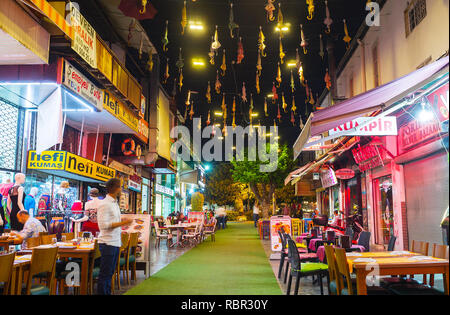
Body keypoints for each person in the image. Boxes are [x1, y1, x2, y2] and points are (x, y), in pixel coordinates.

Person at [97, 178, 132, 295]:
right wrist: (123, 223)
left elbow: (113, 220)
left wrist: (122, 220)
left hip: (115, 242)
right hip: (107, 243)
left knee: (110, 273)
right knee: (105, 274)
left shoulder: (114, 203)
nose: (121, 189)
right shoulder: (105, 204)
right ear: (114, 188)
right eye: (120, 186)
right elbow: (103, 225)